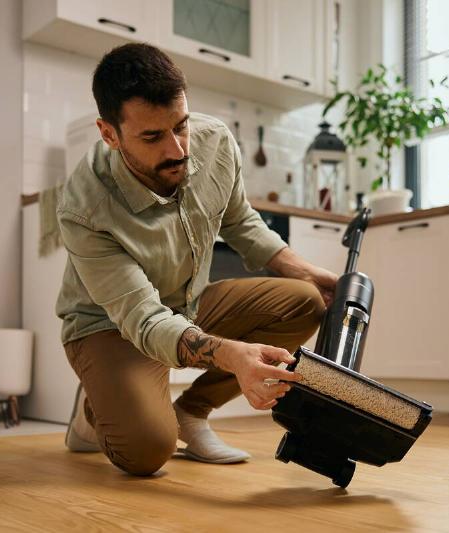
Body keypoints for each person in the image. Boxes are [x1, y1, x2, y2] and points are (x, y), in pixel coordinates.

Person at [55, 42, 339, 476]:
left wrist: (308, 272)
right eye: (152, 136)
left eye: (181, 126)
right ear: (109, 133)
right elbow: (144, 320)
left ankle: (190, 411)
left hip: (186, 306)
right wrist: (232, 356)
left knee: (303, 301)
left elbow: (239, 219)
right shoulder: (84, 207)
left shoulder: (214, 142)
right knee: (147, 450)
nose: (177, 150)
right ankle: (95, 408)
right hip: (110, 327)